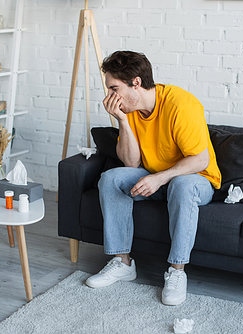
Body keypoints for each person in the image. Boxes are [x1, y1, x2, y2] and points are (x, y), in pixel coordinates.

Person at [85, 50, 221, 306]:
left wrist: (160, 178)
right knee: (111, 179)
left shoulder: (181, 104)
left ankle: (177, 272)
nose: (109, 96)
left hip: (196, 179)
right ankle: (122, 263)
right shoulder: (131, 108)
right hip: (155, 175)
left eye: (114, 88)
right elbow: (131, 163)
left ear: (135, 82)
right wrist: (122, 121)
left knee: (181, 184)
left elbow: (200, 160)